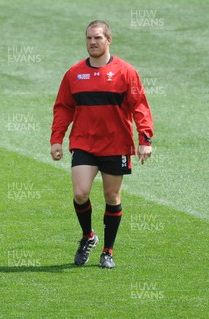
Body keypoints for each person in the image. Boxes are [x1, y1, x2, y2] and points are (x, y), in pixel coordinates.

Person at [50, 20, 154, 269]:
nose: (92, 42)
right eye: (89, 38)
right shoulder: (74, 74)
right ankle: (88, 236)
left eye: (97, 38)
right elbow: (63, 108)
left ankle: (108, 250)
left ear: (109, 40)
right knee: (80, 192)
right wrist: (57, 139)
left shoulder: (125, 72)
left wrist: (145, 139)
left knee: (111, 196)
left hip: (116, 144)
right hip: (84, 142)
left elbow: (139, 105)